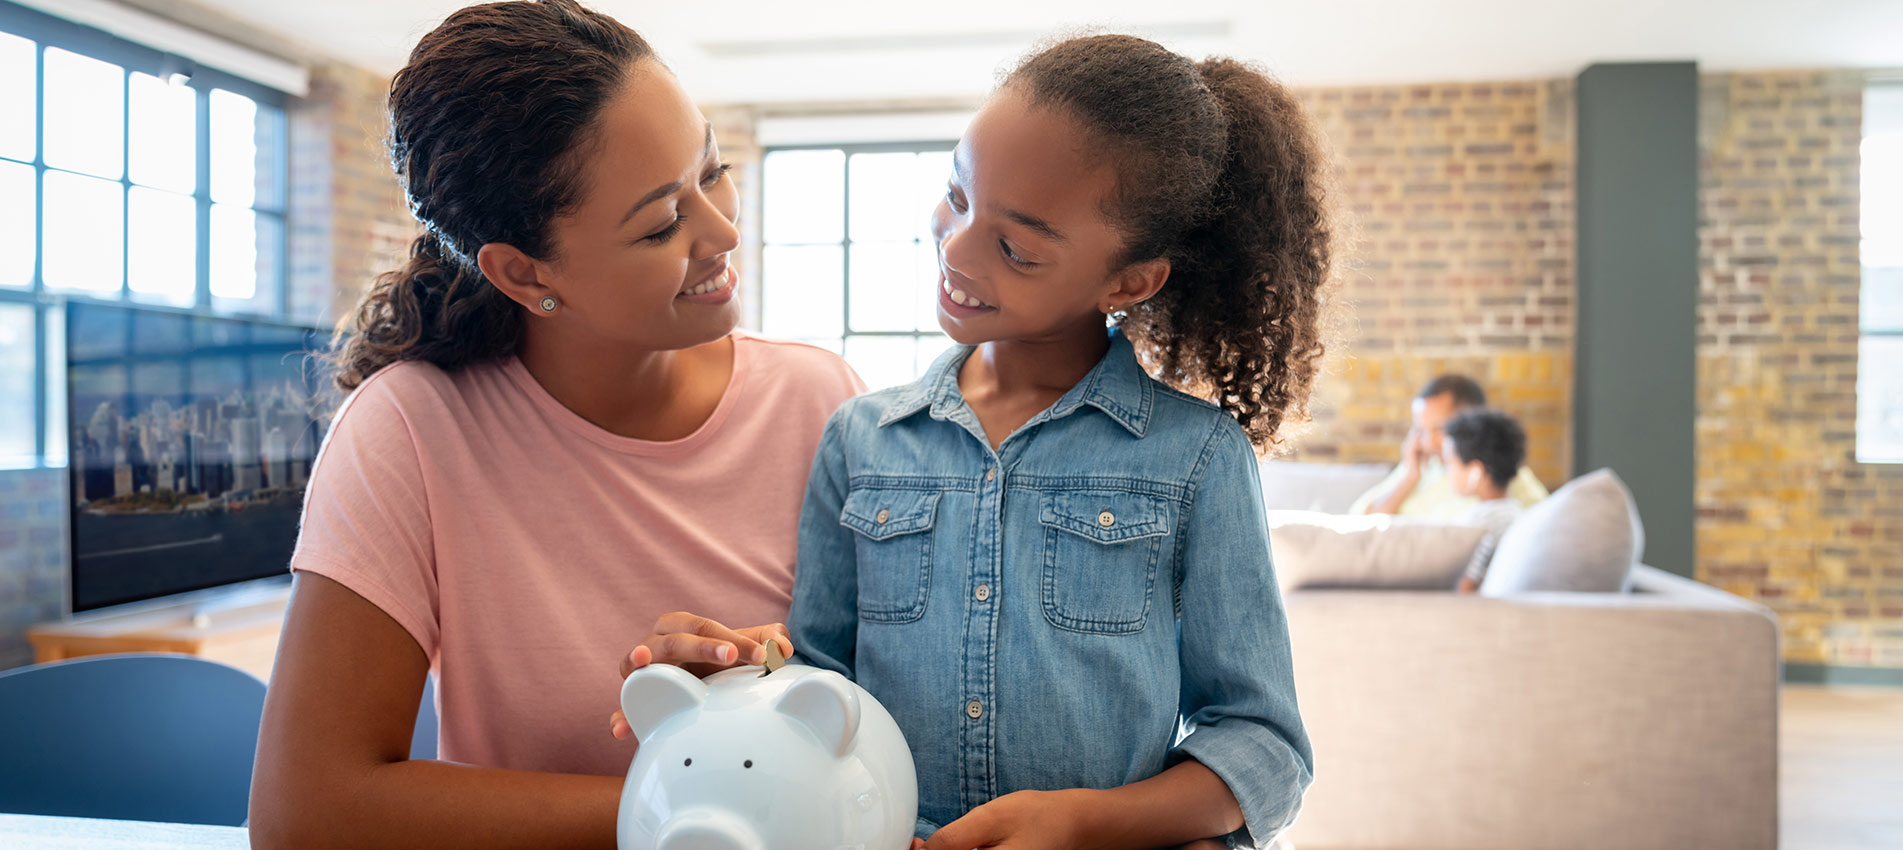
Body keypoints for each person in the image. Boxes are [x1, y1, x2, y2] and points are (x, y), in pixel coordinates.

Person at [247, 3, 862, 847]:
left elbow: (903, 713)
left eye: (711, 171)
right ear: (524, 270)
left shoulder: (818, 398)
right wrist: (694, 798)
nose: (722, 232)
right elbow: (307, 811)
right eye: (660, 224)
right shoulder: (412, 430)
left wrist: (763, 690)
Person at [789, 34, 1329, 850]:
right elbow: (816, 687)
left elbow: (1264, 751)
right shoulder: (861, 440)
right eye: (957, 196)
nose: (955, 249)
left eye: (1016, 248)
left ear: (1128, 281)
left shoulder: (1195, 460)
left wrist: (1082, 823)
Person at [1350, 374, 1547, 519]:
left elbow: (1539, 527)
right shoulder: (1419, 466)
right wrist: (1410, 477)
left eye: (1440, 429)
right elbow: (1361, 520)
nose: (1429, 442)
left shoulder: (1502, 477)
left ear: (1475, 422)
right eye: (1421, 431)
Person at [1440, 408, 1529, 593]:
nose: (1446, 473)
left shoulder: (1478, 525)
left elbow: (1465, 586)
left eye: (1450, 463)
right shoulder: (1521, 515)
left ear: (1476, 471)